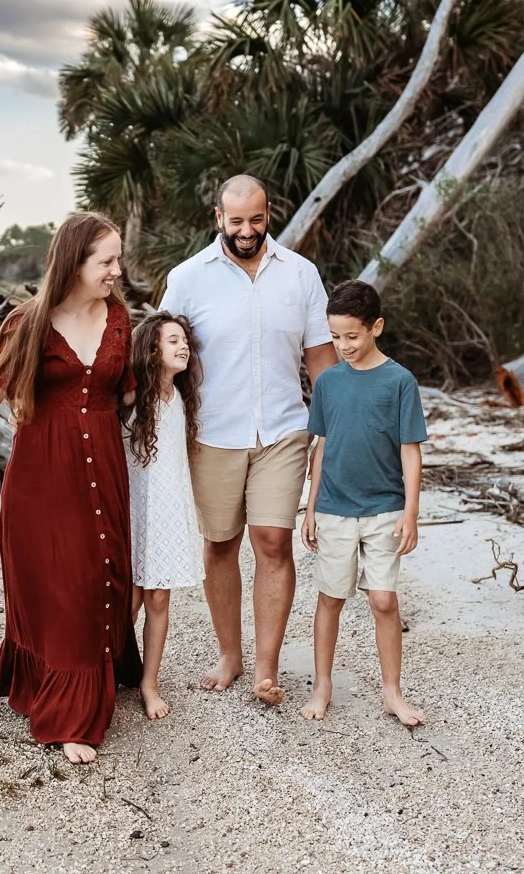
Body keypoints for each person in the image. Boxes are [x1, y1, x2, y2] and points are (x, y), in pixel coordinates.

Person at [0, 211, 141, 764]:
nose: (116, 270)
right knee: (56, 586)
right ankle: (65, 711)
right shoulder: (26, 323)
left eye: (116, 259)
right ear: (74, 263)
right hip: (40, 478)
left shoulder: (120, 318)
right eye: (106, 261)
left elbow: (130, 397)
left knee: (97, 574)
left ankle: (93, 681)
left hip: (104, 471)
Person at [160, 175, 336, 704]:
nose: (246, 231)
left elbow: (322, 363)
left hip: (283, 429)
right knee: (219, 544)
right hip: (211, 434)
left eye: (256, 220)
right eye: (235, 221)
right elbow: (161, 354)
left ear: (269, 214)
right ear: (218, 217)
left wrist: (335, 431)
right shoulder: (188, 278)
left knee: (274, 542)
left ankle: (265, 668)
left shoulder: (301, 275)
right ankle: (230, 655)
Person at [300, 280, 427, 727]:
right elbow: (321, 446)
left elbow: (410, 449)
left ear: (376, 327)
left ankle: (393, 691)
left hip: (385, 510)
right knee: (330, 598)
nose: (343, 346)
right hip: (334, 508)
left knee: (384, 601)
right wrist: (310, 507)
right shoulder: (329, 383)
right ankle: (322, 685)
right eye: (335, 337)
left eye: (351, 336)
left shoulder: (399, 382)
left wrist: (411, 510)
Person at [122, 311, 205, 720]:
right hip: (136, 509)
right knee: (129, 601)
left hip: (169, 511)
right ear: (152, 349)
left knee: (159, 597)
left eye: (184, 339)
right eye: (172, 340)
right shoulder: (133, 398)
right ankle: (110, 673)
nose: (183, 345)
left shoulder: (181, 399)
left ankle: (149, 682)